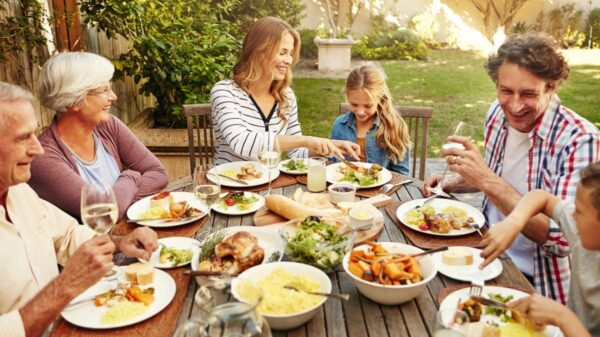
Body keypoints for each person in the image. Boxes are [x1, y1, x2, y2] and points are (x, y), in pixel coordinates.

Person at [422, 33, 600, 303]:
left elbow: (563, 240)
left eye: (529, 94)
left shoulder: (580, 140)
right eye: (506, 91)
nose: (514, 106)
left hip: (538, 283)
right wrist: (456, 182)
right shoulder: (497, 112)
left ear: (552, 88)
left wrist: (486, 180)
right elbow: (497, 175)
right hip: (482, 254)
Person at [0, 81, 158, 337]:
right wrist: (65, 286)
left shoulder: (18, 192)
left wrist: (118, 242)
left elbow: (68, 235)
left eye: (33, 134)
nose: (37, 148)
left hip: (68, 322)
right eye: (22, 138)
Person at [29, 52, 168, 221]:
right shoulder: (44, 158)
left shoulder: (108, 125)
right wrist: (131, 176)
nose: (113, 96)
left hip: (125, 236)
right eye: (104, 90)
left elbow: (158, 173)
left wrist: (121, 203)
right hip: (90, 245)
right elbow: (103, 214)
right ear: (74, 100)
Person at [210, 17, 360, 165]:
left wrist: (328, 145)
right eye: (282, 52)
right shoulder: (225, 92)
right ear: (258, 52)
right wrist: (306, 140)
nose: (288, 60)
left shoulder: (285, 97)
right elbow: (241, 142)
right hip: (228, 185)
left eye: (290, 53)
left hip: (270, 184)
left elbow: (296, 152)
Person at [479, 162, 600, 336]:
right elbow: (542, 197)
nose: (572, 216)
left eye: (579, 212)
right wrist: (514, 222)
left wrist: (562, 316)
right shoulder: (583, 233)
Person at [330, 65, 411, 175]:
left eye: (368, 106)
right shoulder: (340, 125)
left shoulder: (394, 126)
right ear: (347, 96)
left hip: (381, 190)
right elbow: (333, 164)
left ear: (380, 98)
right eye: (354, 104)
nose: (360, 112)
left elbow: (401, 173)